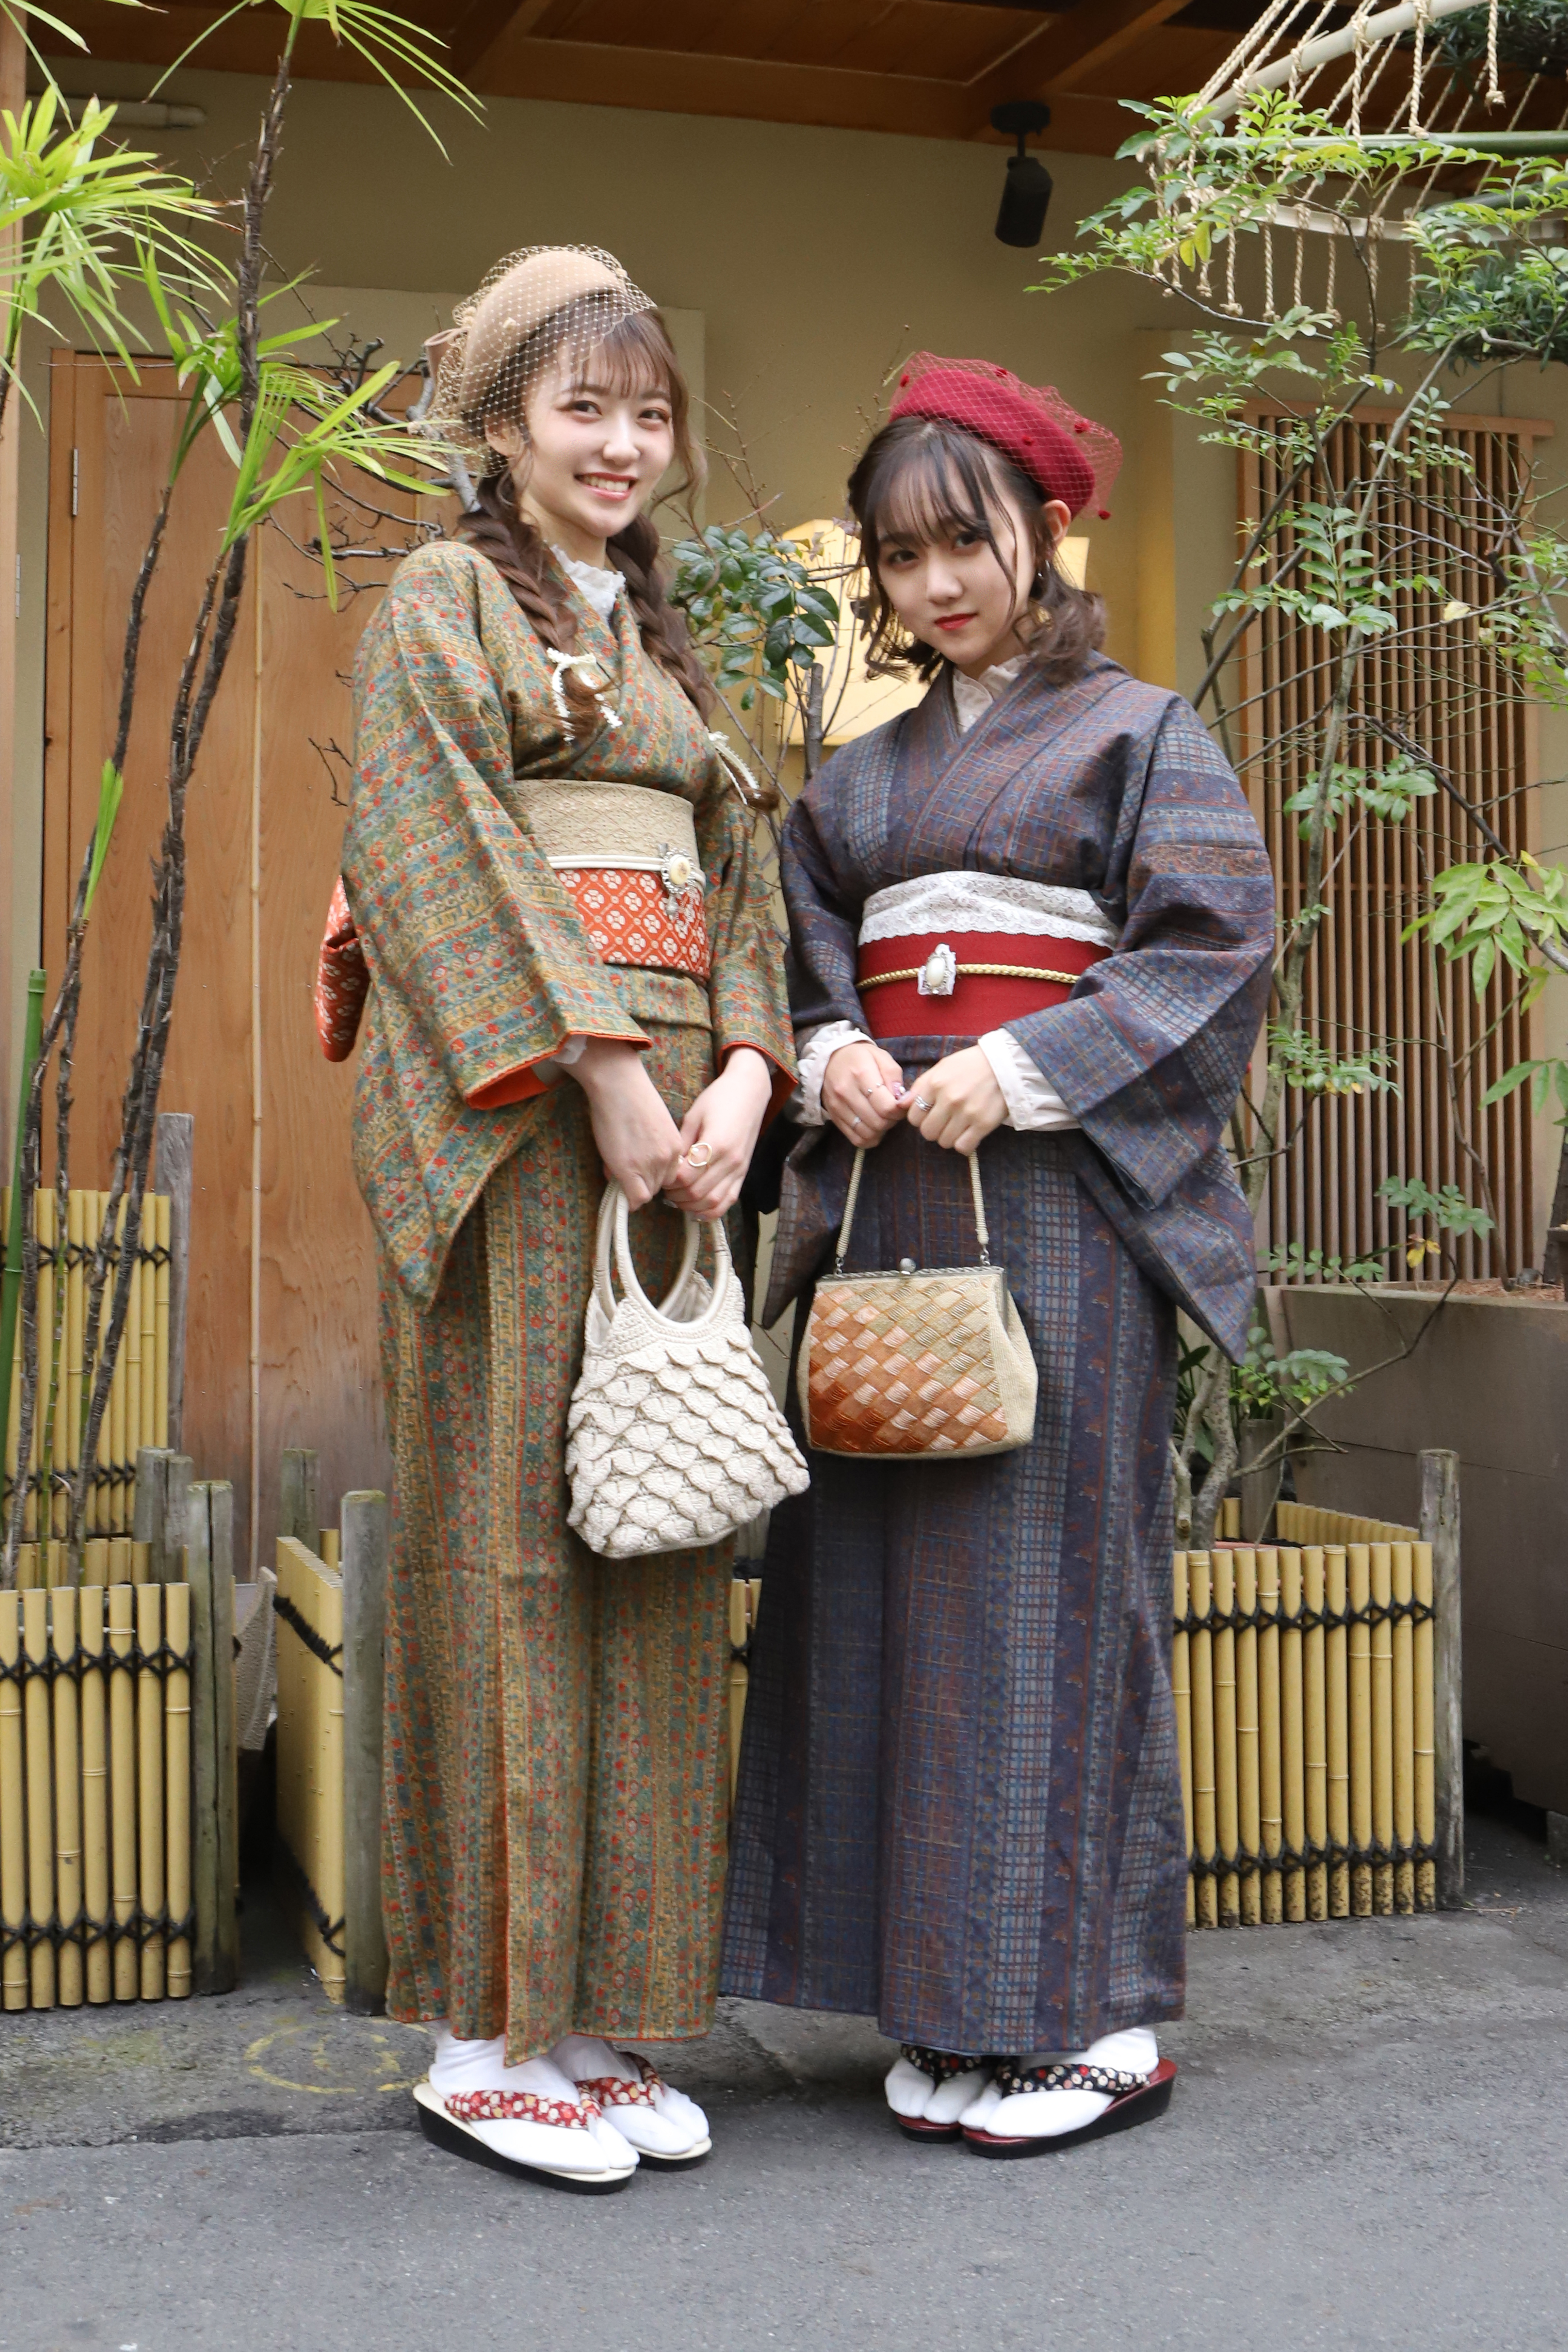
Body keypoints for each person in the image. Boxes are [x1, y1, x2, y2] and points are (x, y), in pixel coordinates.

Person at [721, 353, 1274, 2154]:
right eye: (898, 555)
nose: (934, 584)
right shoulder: (855, 786)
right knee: (872, 1599)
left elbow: (1205, 952)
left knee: (1044, 1605)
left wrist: (1028, 1065)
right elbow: (806, 955)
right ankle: (942, 2004)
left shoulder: (1142, 740)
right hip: (891, 1197)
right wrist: (834, 1054)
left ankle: (1094, 2018)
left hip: (1056, 1206)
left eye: (964, 541)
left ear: (1041, 532)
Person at [343, 246, 794, 2191]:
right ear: (505, 425)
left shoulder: (675, 640)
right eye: (583, 408)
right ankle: (484, 2026)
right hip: (527, 1115)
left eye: (650, 412)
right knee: (511, 1547)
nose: (623, 445)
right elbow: (426, 834)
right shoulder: (446, 598)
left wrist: (747, 1078)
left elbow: (745, 881)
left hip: (679, 1118)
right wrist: (605, 1071)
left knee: (653, 1539)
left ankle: (600, 2013)